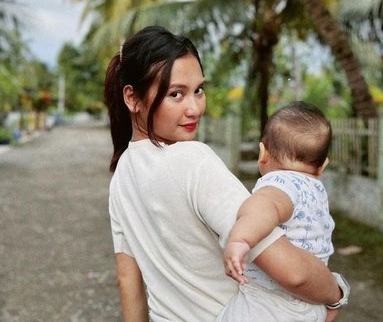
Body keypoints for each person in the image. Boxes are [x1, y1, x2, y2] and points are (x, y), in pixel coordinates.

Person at [104, 26, 347, 321]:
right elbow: (293, 272)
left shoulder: (122, 176)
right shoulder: (194, 161)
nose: (194, 108)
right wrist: (335, 293)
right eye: (176, 94)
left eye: (198, 90)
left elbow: (128, 281)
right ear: (132, 98)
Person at [219, 101, 347, 321]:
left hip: (270, 303)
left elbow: (263, 207)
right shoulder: (317, 191)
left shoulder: (279, 182)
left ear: (263, 153)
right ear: (322, 166)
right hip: (312, 306)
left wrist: (240, 240)